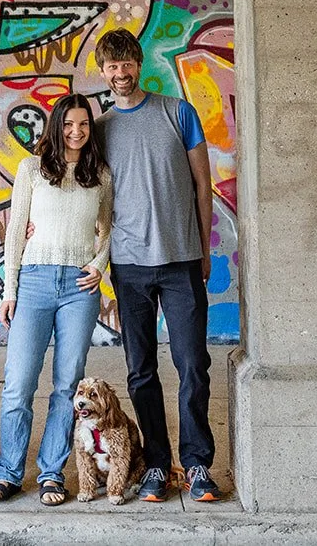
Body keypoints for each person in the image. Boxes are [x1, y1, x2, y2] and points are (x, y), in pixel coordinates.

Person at [93, 27, 220, 504]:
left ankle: (197, 464)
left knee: (193, 364)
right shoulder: (102, 129)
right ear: (103, 72)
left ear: (138, 66)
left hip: (182, 259)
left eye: (127, 65)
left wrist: (205, 248)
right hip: (129, 266)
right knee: (140, 370)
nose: (121, 73)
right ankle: (157, 464)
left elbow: (202, 186)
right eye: (112, 67)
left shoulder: (177, 112)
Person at [0, 94, 113, 506]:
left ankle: (52, 475)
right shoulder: (32, 170)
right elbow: (15, 228)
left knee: (67, 388)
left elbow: (107, 228)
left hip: (79, 289)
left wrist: (99, 265)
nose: (76, 131)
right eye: (69, 124)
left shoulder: (100, 175)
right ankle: (8, 473)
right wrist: (11, 290)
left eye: (84, 125)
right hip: (35, 282)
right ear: (56, 126)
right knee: (18, 384)